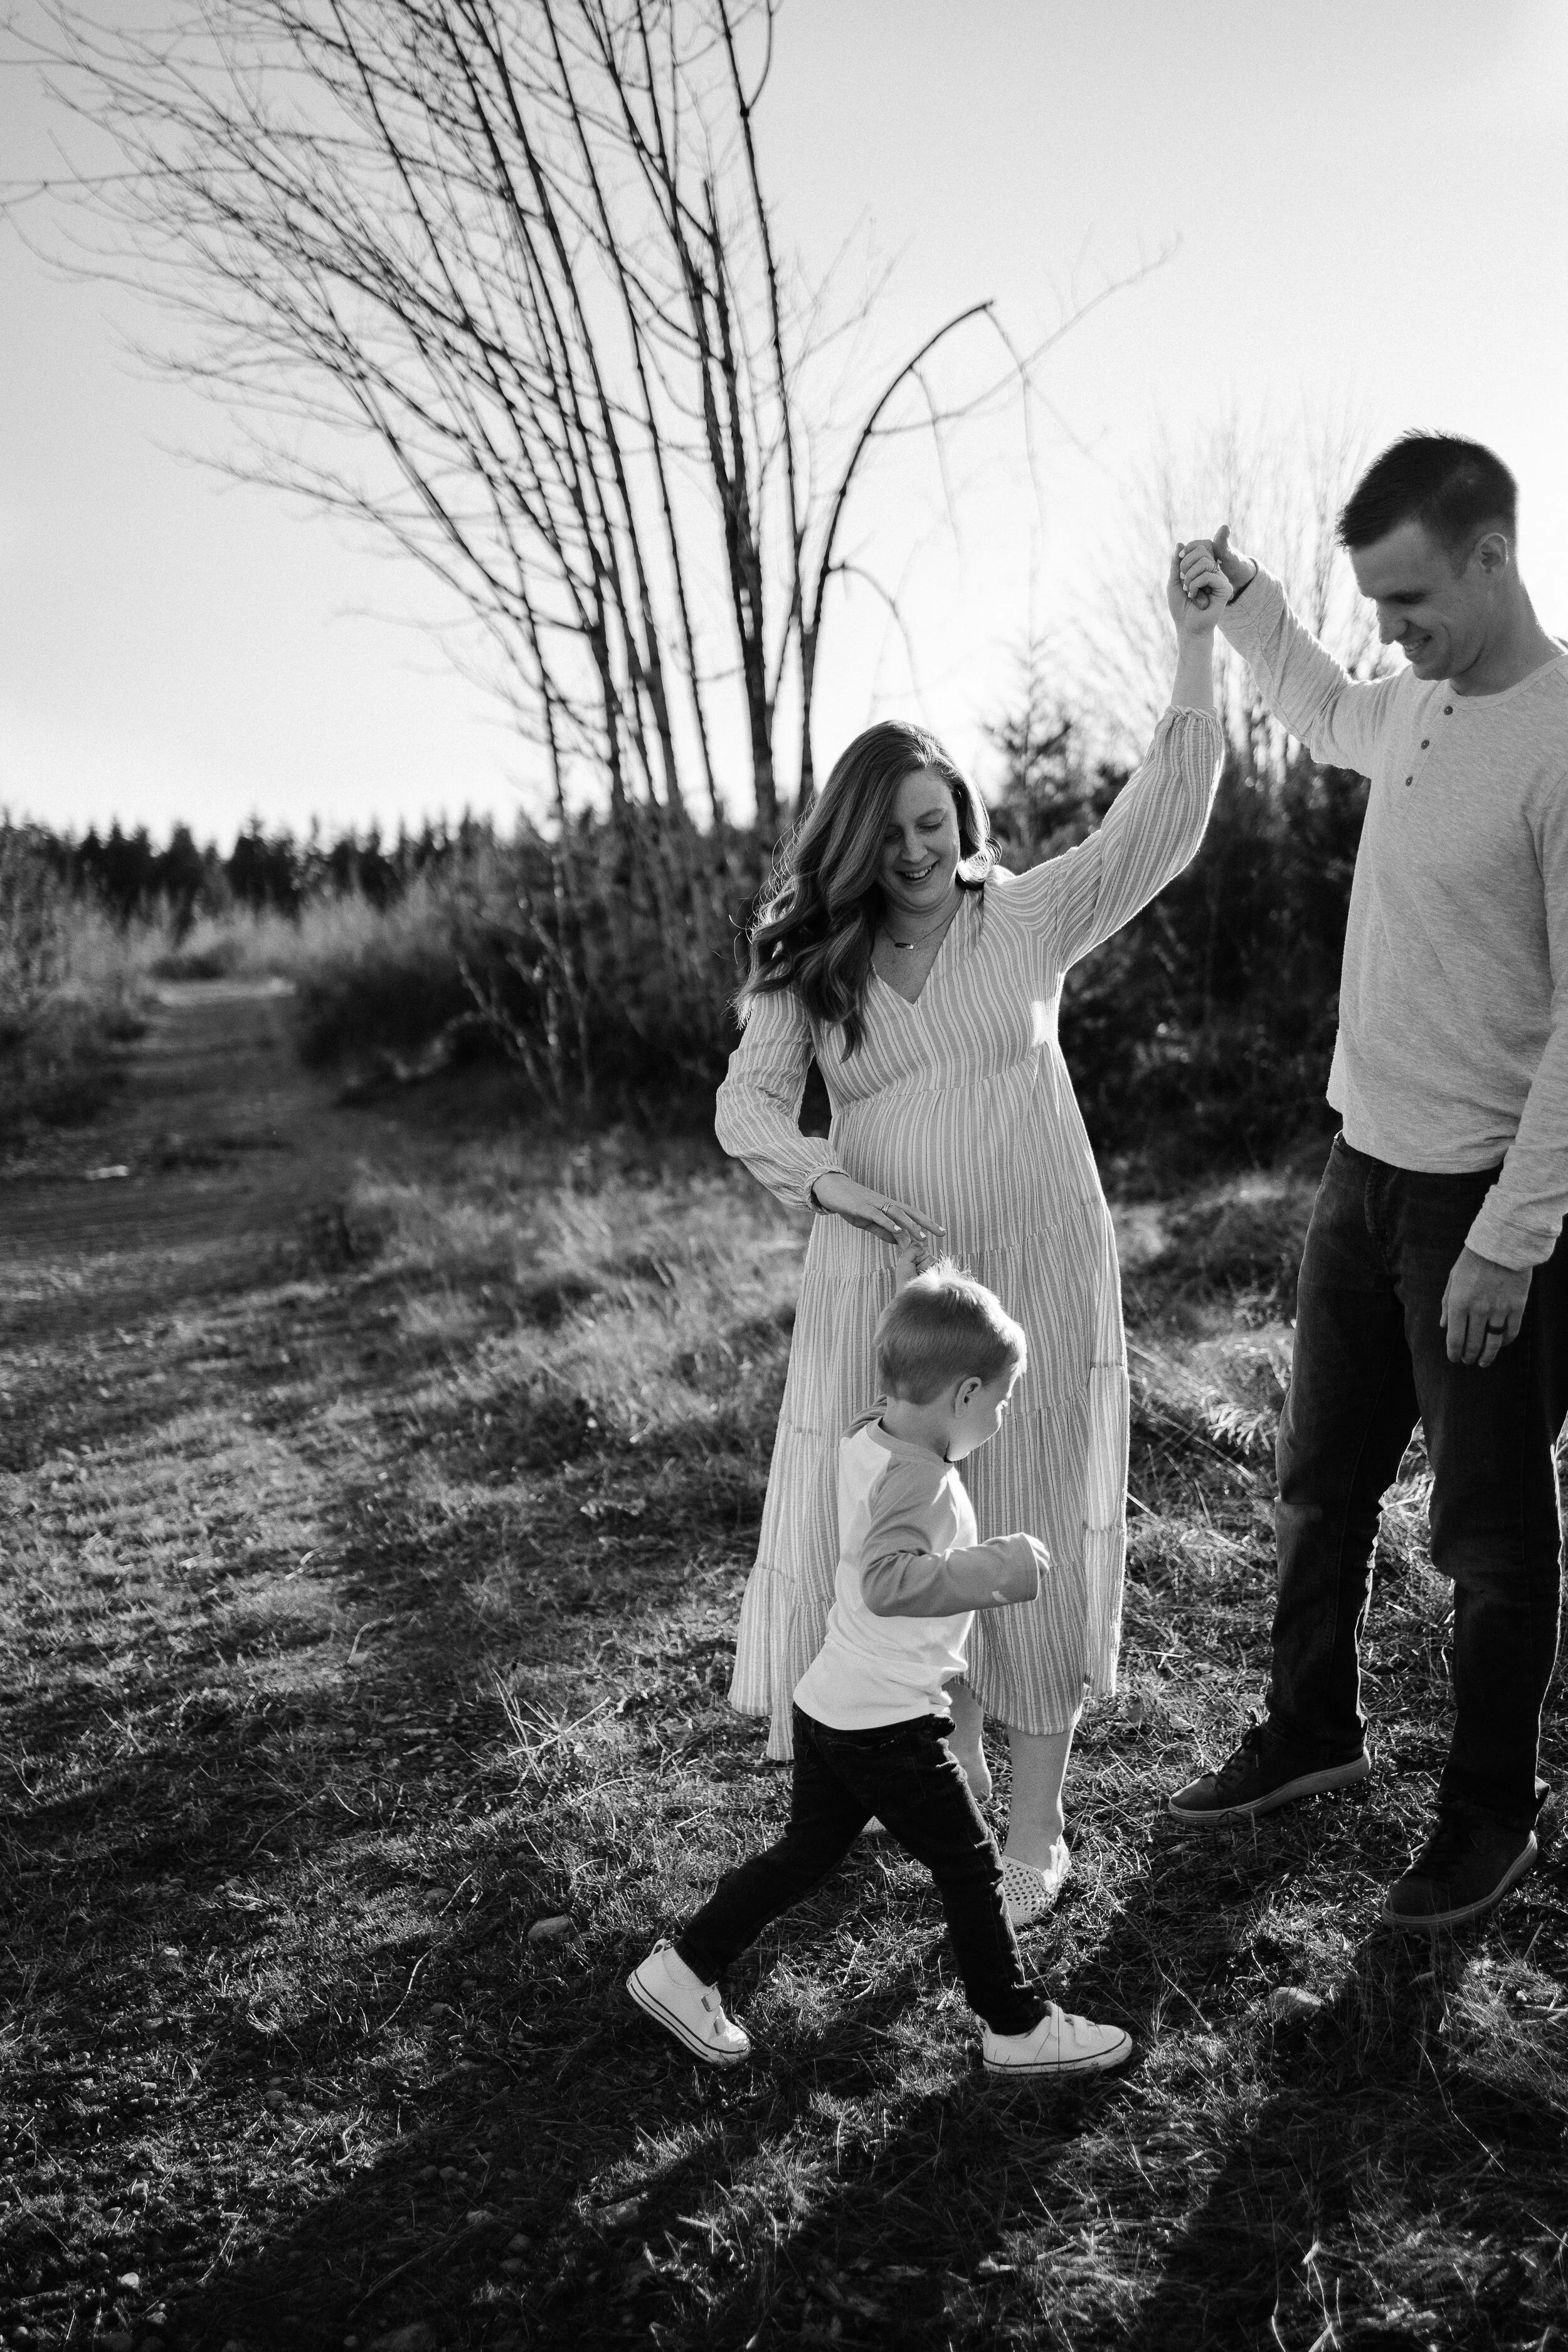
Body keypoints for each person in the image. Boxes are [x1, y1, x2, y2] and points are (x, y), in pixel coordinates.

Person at [714, 549, 1226, 1924]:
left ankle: (1035, 1831)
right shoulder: (809, 963)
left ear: (963, 816)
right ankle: (946, 1810)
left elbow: (1157, 826)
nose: (918, 851)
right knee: (905, 1537)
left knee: (1035, 1508)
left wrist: (1192, 647)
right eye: (889, 835)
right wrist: (825, 1182)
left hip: (1040, 1266)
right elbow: (744, 1104)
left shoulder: (1025, 916)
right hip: (890, 1291)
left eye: (933, 821)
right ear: (853, 846)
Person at [1170, 433, 1568, 1931]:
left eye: (1408, 599)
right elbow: (1325, 703)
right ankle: (1309, 1733)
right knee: (1316, 1489)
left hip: (1478, 1206)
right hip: (1361, 1174)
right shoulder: (1410, 702)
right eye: (1375, 606)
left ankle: (1485, 1819)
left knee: (1485, 1535)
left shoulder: (1558, 738)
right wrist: (1244, 602)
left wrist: (1511, 1242)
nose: (1391, 633)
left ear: (1490, 553)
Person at [627, 1257, 1133, 2077]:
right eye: (998, 1401)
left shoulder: (872, 1434)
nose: (1000, 1420)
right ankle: (1016, 2025)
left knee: (804, 1854)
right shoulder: (922, 1478)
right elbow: (889, 1581)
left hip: (831, 1703)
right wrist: (993, 1566)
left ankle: (681, 1970)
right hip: (884, 1722)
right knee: (971, 1865)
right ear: (964, 1395)